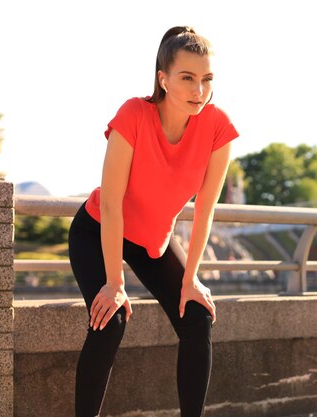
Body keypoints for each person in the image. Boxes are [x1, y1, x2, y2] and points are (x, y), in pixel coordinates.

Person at [67, 26, 239, 417]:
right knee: (109, 321)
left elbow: (206, 209)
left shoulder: (217, 127)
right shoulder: (134, 115)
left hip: (153, 241)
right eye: (188, 78)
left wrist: (191, 278)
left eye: (207, 79)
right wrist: (114, 283)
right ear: (163, 78)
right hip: (97, 229)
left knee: (197, 317)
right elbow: (111, 204)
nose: (199, 90)